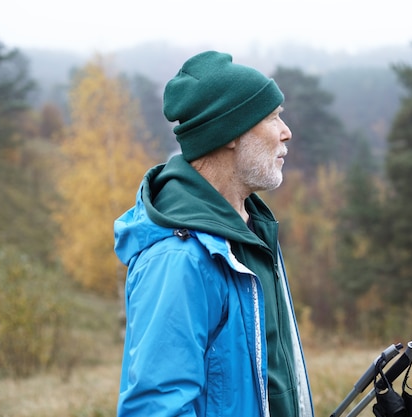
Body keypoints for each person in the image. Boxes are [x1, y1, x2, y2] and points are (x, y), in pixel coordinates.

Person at [114, 50, 314, 417]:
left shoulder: (251, 231)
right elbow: (156, 408)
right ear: (232, 133)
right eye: (273, 118)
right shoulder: (177, 258)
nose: (287, 133)